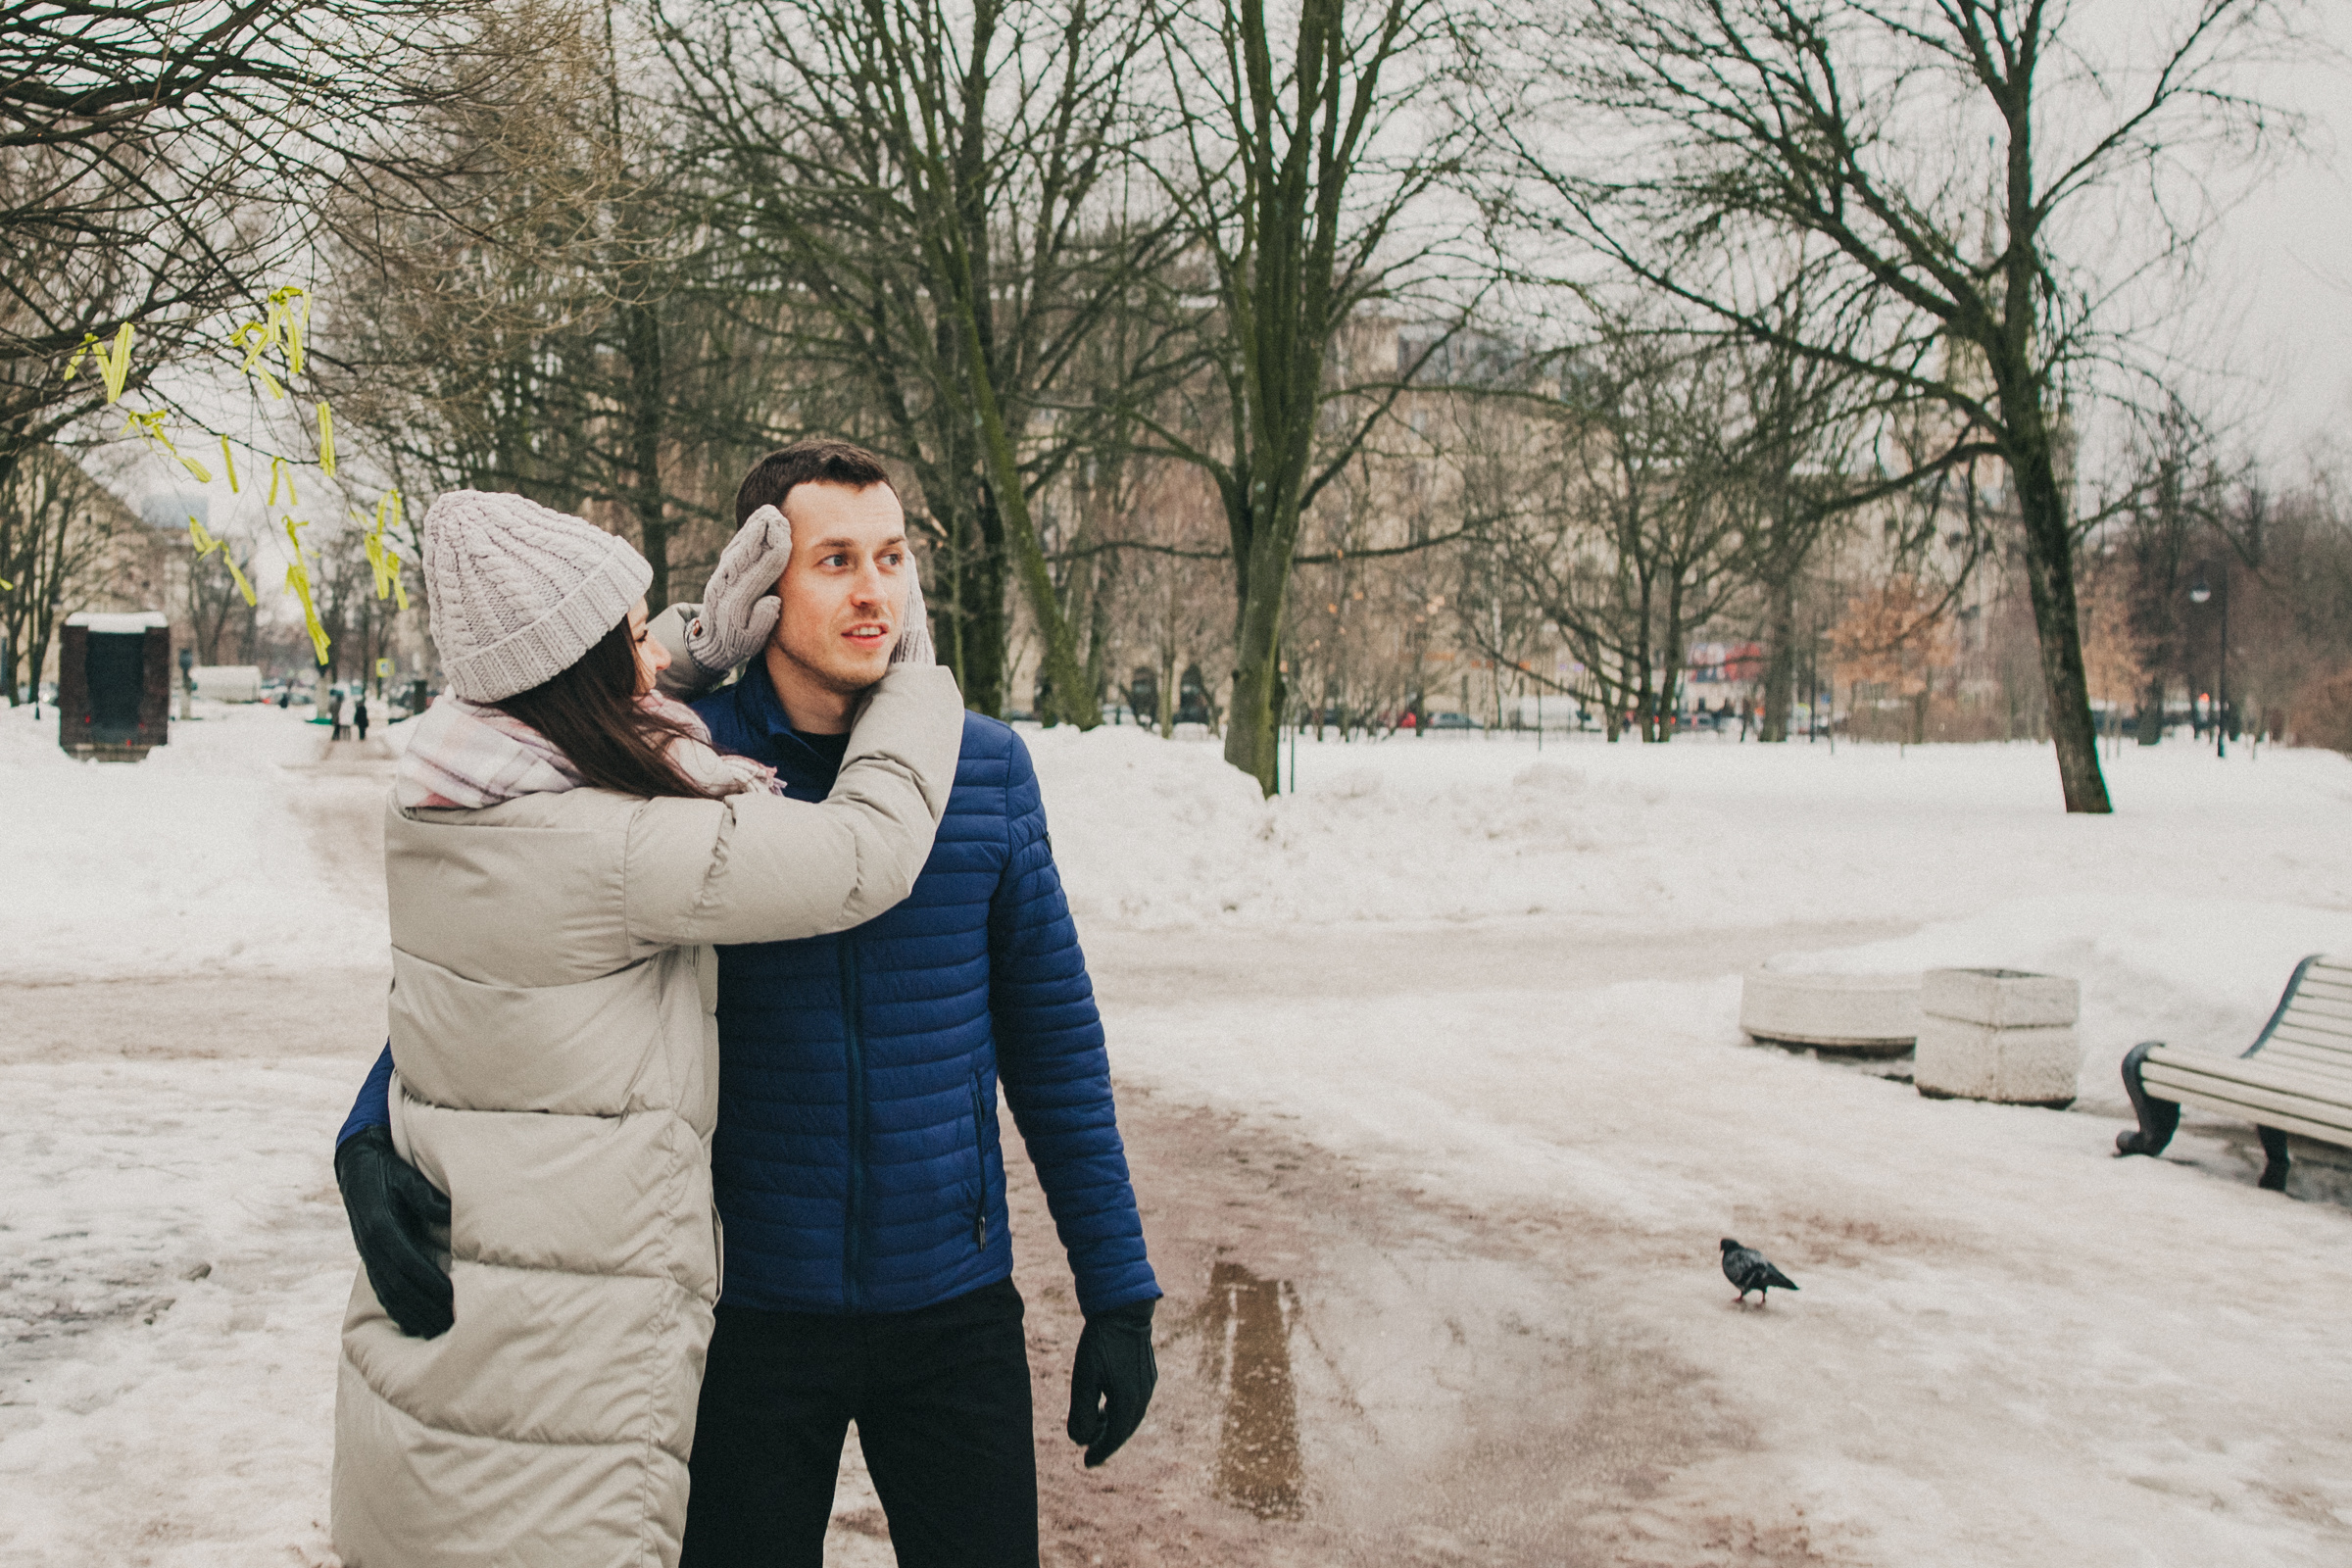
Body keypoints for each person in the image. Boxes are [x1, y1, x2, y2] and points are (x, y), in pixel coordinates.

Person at [343, 442, 1160, 1568]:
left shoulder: (983, 771)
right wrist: (369, 1117)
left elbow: (1055, 1042)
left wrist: (1119, 1290)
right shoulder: (675, 770)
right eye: (835, 560)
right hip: (748, 1313)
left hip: (951, 1301)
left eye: (892, 555)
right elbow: (515, 963)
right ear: (765, 584)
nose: (875, 590)